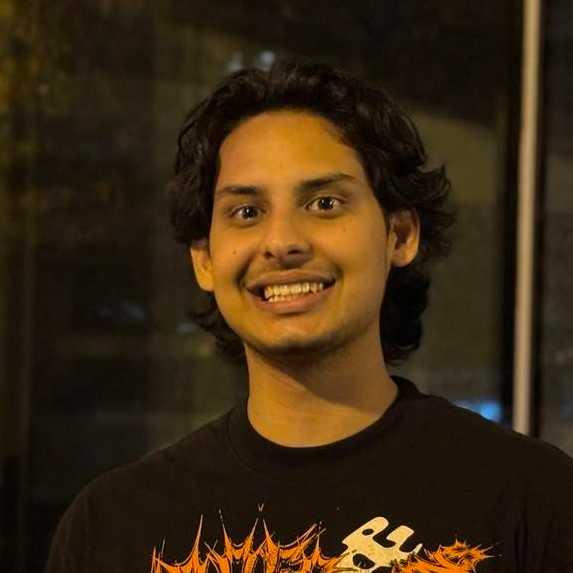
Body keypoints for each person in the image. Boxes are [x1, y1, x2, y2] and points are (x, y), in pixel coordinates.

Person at [46, 59, 573, 573]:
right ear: (204, 259)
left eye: (324, 203)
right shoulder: (112, 527)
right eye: (247, 212)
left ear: (400, 234)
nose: (281, 243)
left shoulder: (530, 502)